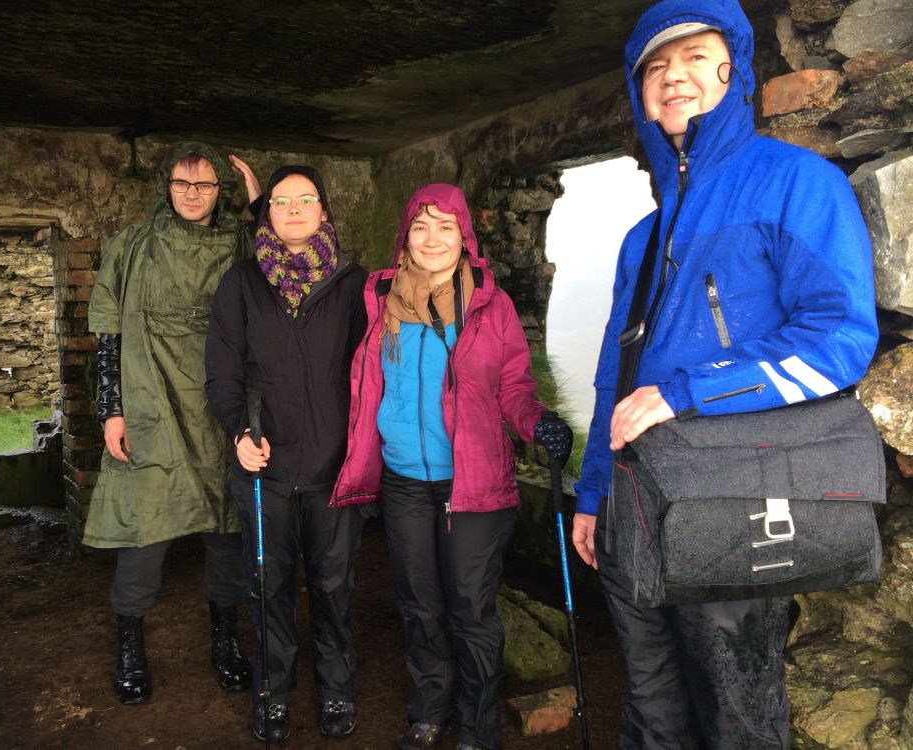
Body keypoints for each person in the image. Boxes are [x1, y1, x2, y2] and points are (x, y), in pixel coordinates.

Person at [571, 1, 878, 748]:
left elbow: (837, 341)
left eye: (694, 56)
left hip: (733, 501)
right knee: (649, 701)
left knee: (737, 714)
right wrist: (593, 494)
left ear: (732, 71)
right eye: (654, 65)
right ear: (639, 90)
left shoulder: (794, 184)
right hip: (633, 506)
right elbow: (617, 378)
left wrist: (688, 393)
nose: (672, 75)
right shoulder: (641, 237)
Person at [331, 183, 574, 750]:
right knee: (419, 604)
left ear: (465, 236)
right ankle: (429, 710)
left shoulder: (491, 305)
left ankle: (477, 727)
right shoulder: (379, 299)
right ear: (405, 238)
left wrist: (537, 421)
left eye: (446, 227)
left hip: (474, 481)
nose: (433, 238)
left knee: (470, 608)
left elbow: (513, 384)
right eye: (421, 226)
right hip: (404, 482)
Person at [83, 142, 263, 705]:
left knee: (228, 530)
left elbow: (289, 261)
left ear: (220, 191)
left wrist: (260, 205)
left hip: (220, 408)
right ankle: (130, 641)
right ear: (166, 186)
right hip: (150, 402)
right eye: (182, 183)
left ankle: (225, 637)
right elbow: (108, 326)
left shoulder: (241, 244)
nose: (192, 194)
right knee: (144, 531)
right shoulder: (133, 245)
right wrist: (111, 407)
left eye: (205, 184)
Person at [205, 165, 369, 743]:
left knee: (333, 587)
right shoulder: (242, 283)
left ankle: (337, 691)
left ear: (325, 210)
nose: (294, 209)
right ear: (266, 212)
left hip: (333, 469)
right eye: (281, 200)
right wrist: (237, 434)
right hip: (263, 467)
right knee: (268, 586)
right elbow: (222, 370)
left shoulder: (355, 285)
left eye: (306, 199)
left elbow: (371, 373)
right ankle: (273, 695)